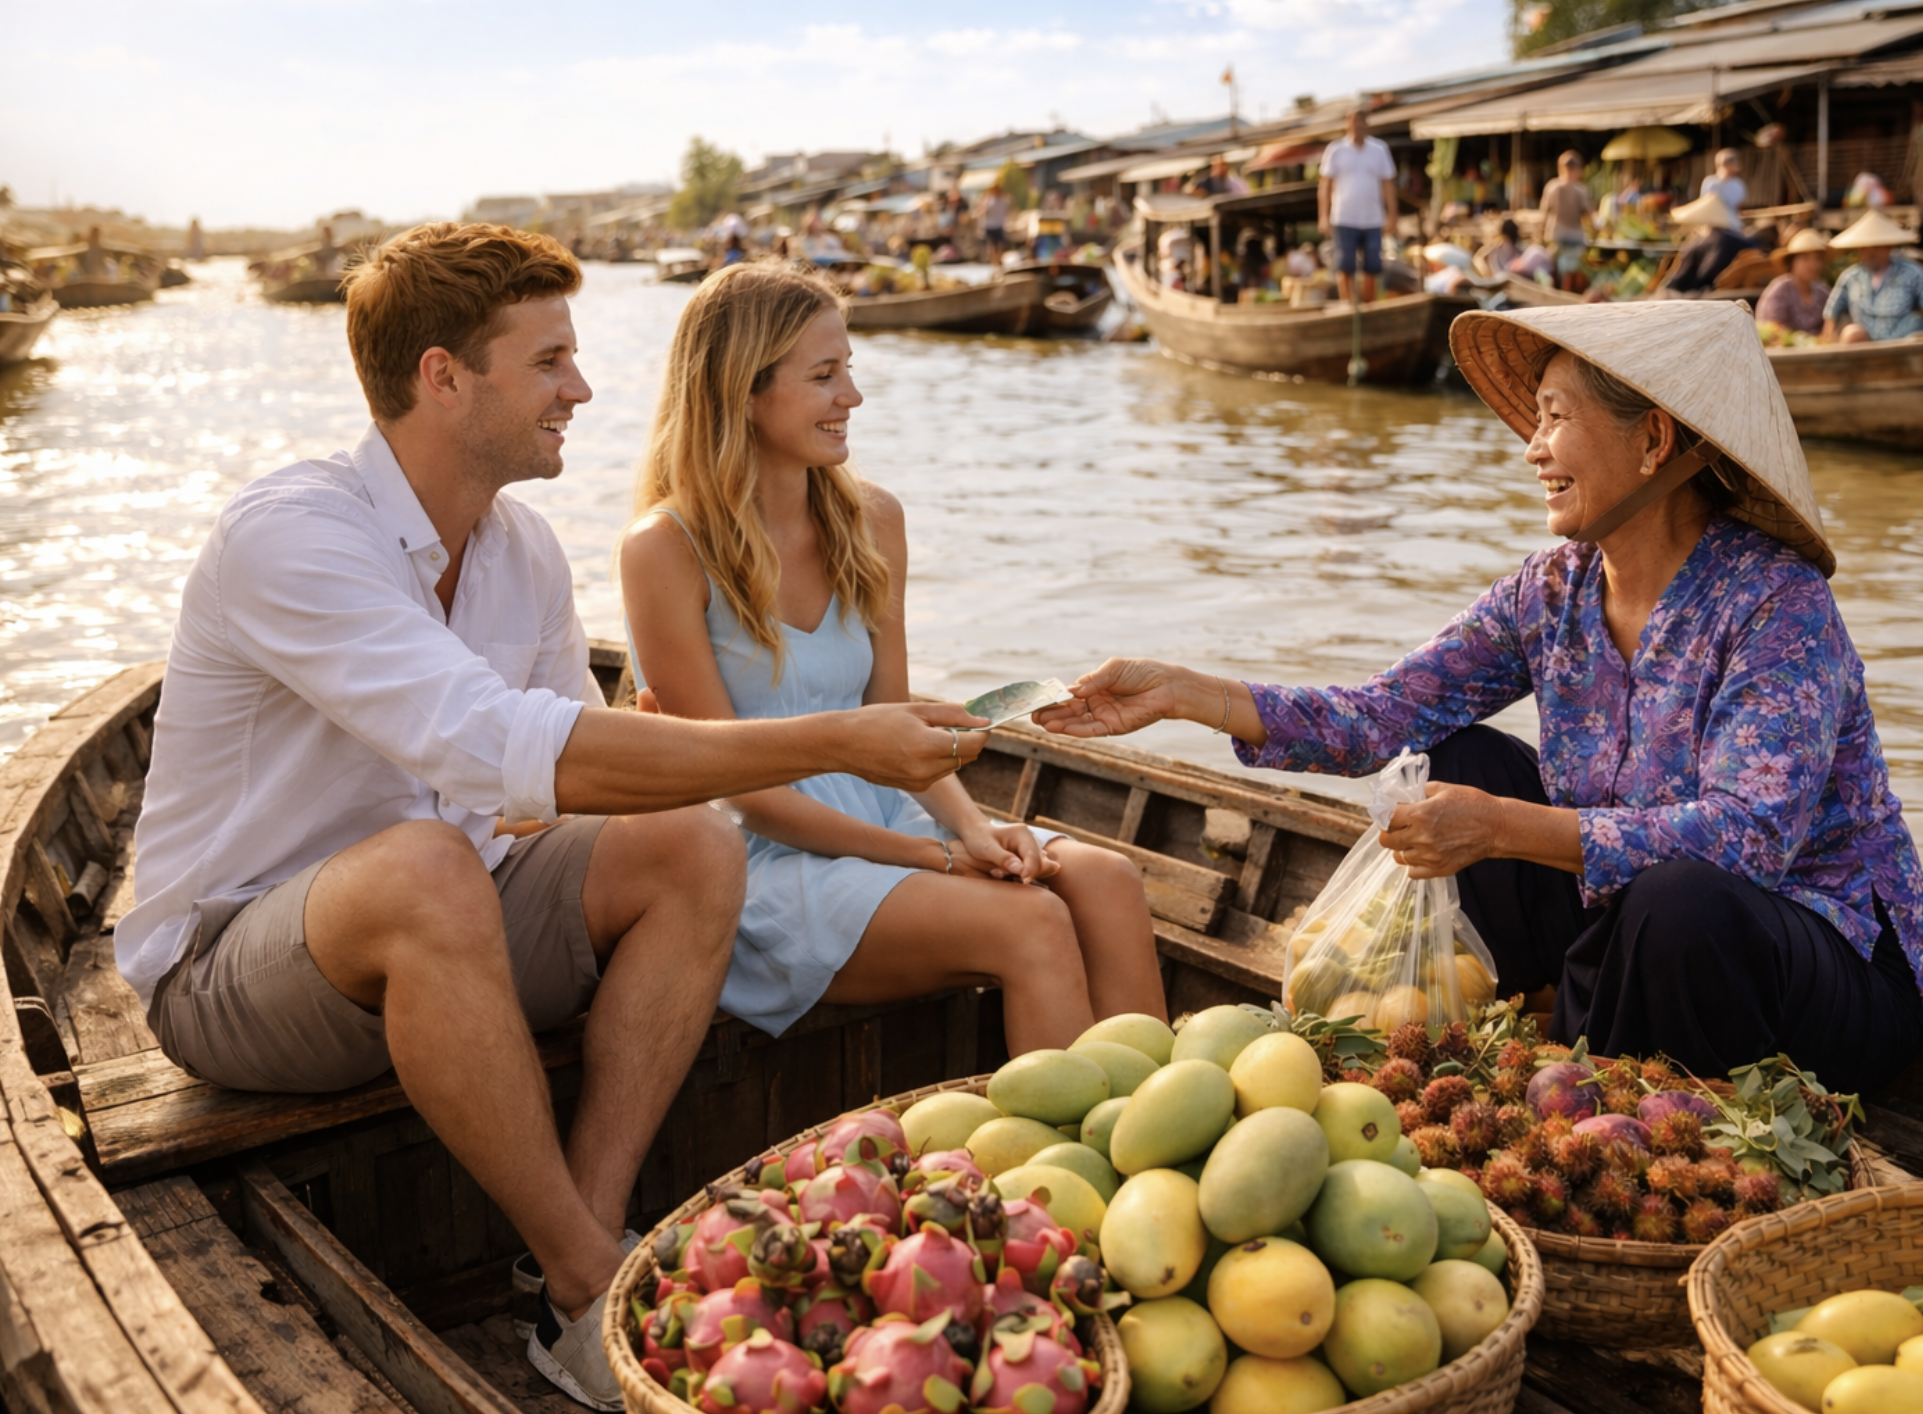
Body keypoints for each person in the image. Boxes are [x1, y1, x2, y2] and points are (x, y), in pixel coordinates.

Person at [117, 224, 982, 1409]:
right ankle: (595, 1287)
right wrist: (832, 738)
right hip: (235, 974)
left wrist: (713, 756)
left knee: (689, 841)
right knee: (427, 868)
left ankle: (570, 1242)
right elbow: (495, 749)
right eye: (549, 361)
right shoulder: (294, 532)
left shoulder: (521, 548)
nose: (582, 387)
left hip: (451, 925)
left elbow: (579, 777)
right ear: (442, 376)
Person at [1035, 300, 1923, 1097]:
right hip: (1631, 928)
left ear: (1654, 441)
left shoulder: (1776, 604)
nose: (1533, 448)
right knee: (1456, 760)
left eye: (1555, 418)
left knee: (1681, 900)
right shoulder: (1551, 591)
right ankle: (1538, 1040)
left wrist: (1501, 828)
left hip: (1820, 966)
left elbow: (1749, 839)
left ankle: (1613, 1097)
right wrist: (1188, 693)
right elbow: (1381, 716)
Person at [618, 263, 1165, 1058]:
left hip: (887, 821)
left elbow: (897, 737)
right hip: (755, 864)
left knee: (1107, 882)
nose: (853, 398)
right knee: (1033, 921)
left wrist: (975, 831)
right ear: (742, 389)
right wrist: (932, 857)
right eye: (824, 375)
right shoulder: (663, 551)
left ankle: (1161, 1158)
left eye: (850, 370)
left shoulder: (872, 521)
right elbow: (728, 781)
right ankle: (1054, 1176)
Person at [1823, 210, 1923, 343]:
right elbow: (1833, 306)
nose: (1869, 253)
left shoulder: (1911, 272)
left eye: (1876, 247)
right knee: (1851, 333)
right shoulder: (1850, 277)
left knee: (1921, 327)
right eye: (1865, 248)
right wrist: (1830, 322)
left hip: (1903, 339)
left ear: (1888, 246)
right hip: (1865, 342)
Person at [1318, 107, 1398, 304]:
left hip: (1372, 218)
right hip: (1344, 217)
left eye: (1361, 121)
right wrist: (1323, 216)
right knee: (1345, 265)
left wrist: (1392, 216)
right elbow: (1325, 185)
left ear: (1367, 124)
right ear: (1347, 124)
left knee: (1372, 266)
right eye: (1354, 121)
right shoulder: (1336, 150)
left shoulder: (1379, 149)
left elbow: (1388, 185)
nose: (1358, 126)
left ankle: (1368, 305)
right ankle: (1349, 304)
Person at [1661, 192, 1753, 294]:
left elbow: (1703, 272)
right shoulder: (1735, 239)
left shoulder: (1704, 241)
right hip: (1730, 286)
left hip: (1702, 289)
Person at [1755, 229, 1832, 336]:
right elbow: (1773, 330)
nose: (1813, 265)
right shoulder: (1779, 291)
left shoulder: (1823, 293)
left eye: (1817, 259)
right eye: (1805, 259)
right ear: (1792, 262)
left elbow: (1831, 326)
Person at [1538, 152, 1594, 293]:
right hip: (1575, 239)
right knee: (1572, 277)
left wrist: (1540, 234)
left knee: (1555, 275)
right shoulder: (1580, 190)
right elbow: (1589, 216)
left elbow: (1543, 214)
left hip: (1556, 235)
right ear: (1577, 170)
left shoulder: (1551, 187)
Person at [1699, 149, 1748, 229]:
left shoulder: (1738, 184)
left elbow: (1739, 208)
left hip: (1731, 226)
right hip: (1713, 225)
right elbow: (1705, 205)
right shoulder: (1710, 182)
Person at [978, 185, 1013, 264]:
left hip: (993, 225)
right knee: (996, 244)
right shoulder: (1003, 200)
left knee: (994, 244)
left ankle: (995, 261)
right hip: (994, 225)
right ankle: (996, 261)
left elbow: (982, 211)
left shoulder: (989, 200)